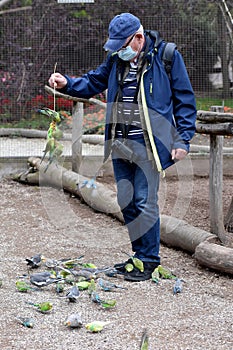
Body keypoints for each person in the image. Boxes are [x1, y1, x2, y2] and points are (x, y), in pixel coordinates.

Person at [48, 13, 196, 282]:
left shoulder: (168, 56)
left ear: (138, 39)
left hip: (149, 143)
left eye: (122, 45)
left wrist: (183, 139)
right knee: (126, 201)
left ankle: (149, 261)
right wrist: (67, 83)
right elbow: (94, 81)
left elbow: (185, 100)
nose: (118, 50)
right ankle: (139, 255)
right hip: (120, 143)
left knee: (144, 200)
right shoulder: (116, 58)